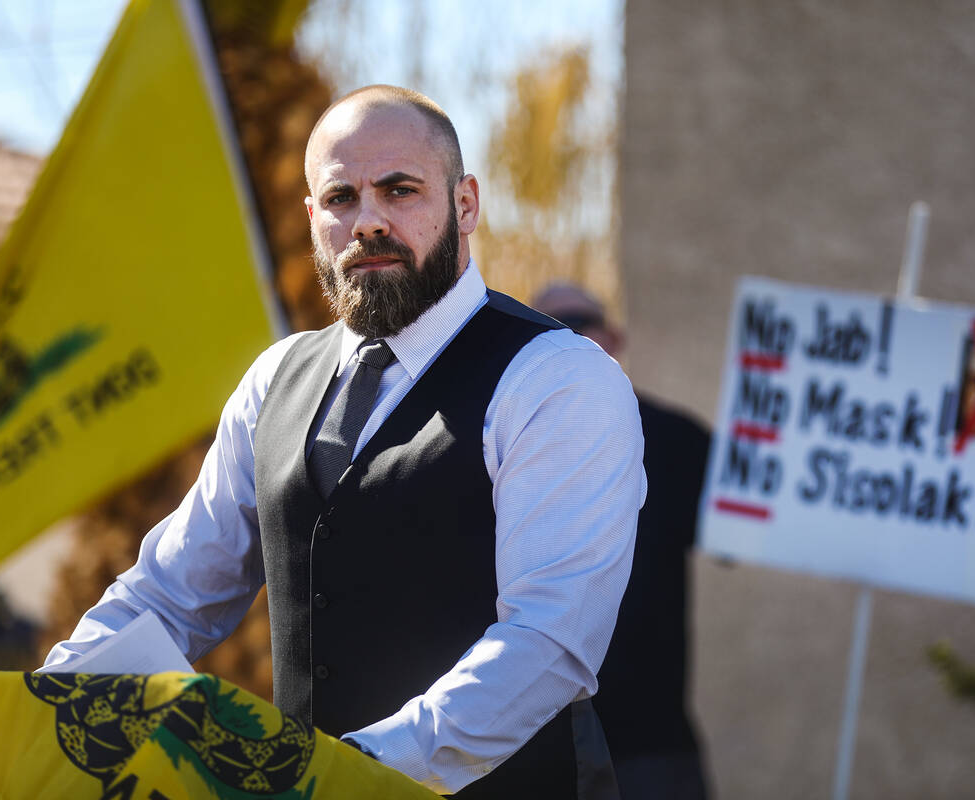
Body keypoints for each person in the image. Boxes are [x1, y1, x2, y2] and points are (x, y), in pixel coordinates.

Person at [44, 85, 645, 800]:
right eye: (340, 198)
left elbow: (550, 643)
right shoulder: (276, 377)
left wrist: (352, 773)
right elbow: (174, 591)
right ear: (311, 218)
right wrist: (48, 701)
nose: (368, 221)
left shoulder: (556, 375)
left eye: (400, 190)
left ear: (465, 205)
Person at [532, 283, 710, 800]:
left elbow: (748, 532)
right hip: (537, 747)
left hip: (653, 742)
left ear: (614, 337)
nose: (570, 337)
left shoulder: (675, 439)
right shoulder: (500, 444)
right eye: (550, 329)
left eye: (581, 323)